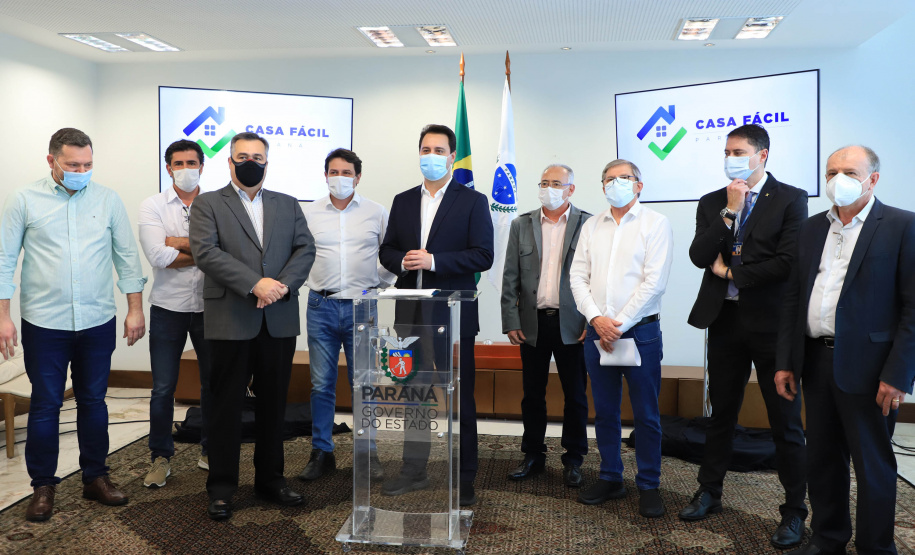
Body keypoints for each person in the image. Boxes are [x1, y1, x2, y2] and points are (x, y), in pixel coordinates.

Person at [0, 128, 147, 522]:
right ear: (51, 161)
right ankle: (43, 486)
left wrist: (135, 308)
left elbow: (127, 257)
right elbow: (4, 260)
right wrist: (3, 318)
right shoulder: (24, 199)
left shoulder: (107, 199)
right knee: (46, 405)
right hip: (44, 322)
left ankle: (95, 477)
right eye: (73, 165)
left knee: (94, 402)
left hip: (97, 318)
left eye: (88, 164)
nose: (82, 171)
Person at [776, 145, 915, 555]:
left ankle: (876, 547)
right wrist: (786, 361)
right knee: (821, 459)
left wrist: (899, 373)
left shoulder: (902, 226)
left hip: (871, 369)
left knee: (872, 466)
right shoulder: (812, 227)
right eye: (832, 171)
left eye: (849, 171)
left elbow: (913, 308)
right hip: (816, 361)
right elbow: (793, 297)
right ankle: (828, 538)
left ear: (872, 178)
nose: (839, 178)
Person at [680, 124, 809, 548]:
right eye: (727, 150)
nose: (730, 157)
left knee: (785, 421)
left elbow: (788, 262)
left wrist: (733, 272)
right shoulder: (714, 201)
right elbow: (700, 255)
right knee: (721, 414)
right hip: (726, 321)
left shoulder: (791, 198)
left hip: (773, 326)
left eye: (739, 151)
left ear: (762, 155)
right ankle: (710, 491)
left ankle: (794, 512)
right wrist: (730, 212)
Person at [189, 132, 315, 521]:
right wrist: (254, 284)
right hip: (231, 317)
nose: (250, 163)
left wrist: (280, 287)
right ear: (229, 162)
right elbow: (206, 252)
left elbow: (304, 249)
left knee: (274, 404)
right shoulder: (208, 203)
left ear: (267, 162)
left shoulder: (287, 203)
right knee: (226, 405)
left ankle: (270, 480)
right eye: (242, 156)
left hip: (277, 319)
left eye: (257, 157)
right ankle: (223, 486)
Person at [378, 124, 494, 507]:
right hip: (410, 316)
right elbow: (388, 251)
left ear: (451, 155)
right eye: (425, 148)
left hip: (454, 312)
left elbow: (483, 255)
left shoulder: (472, 201)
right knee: (415, 393)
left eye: (438, 149)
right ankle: (414, 470)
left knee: (461, 397)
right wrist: (404, 261)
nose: (431, 155)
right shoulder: (404, 200)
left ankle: (465, 477)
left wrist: (435, 260)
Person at [570, 159, 673, 518]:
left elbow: (654, 282)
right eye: (609, 179)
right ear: (602, 187)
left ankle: (649, 484)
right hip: (597, 332)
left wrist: (619, 322)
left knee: (646, 414)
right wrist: (597, 319)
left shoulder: (655, 223)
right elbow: (578, 277)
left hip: (640, 333)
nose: (616, 184)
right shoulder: (590, 226)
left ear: (639, 184)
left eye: (624, 178)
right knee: (605, 411)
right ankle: (611, 476)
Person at [298, 148, 395, 482]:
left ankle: (367, 453)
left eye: (345, 172)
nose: (339, 178)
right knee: (321, 384)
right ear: (325, 175)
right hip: (320, 307)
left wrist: (375, 286)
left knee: (364, 383)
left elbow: (391, 254)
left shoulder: (376, 212)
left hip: (362, 308)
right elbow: (299, 254)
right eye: (333, 172)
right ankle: (321, 452)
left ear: (358, 176)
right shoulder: (309, 213)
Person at [501, 163, 590, 488]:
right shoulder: (521, 224)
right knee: (532, 394)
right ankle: (533, 454)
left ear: (571, 189)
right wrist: (510, 319)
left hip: (574, 324)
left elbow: (596, 278)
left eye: (556, 183)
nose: (548, 188)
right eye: (544, 182)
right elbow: (510, 275)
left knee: (576, 395)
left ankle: (574, 458)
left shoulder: (588, 224)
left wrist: (591, 321)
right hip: (532, 324)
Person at [138, 139, 213, 487]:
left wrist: (176, 241)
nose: (186, 169)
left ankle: (210, 450)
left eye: (192, 163)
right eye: (178, 163)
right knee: (162, 388)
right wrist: (206, 250)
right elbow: (157, 256)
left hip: (211, 308)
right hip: (168, 308)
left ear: (202, 166)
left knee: (214, 383)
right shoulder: (152, 206)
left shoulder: (217, 204)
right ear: (168, 168)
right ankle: (160, 456)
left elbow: (229, 250)